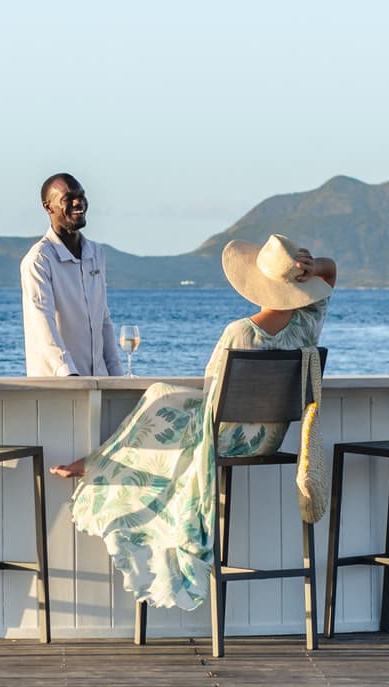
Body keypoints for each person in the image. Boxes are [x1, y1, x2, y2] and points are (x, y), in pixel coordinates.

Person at [50, 234, 337, 611]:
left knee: (160, 395)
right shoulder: (309, 323)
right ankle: (101, 460)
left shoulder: (240, 332)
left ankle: (102, 463)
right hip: (271, 440)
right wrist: (314, 269)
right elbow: (332, 273)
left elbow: (213, 397)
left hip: (225, 440)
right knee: (168, 398)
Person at [20, 173, 125, 376]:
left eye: (81, 195)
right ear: (48, 207)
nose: (78, 202)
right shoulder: (39, 260)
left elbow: (103, 320)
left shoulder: (96, 253)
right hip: (58, 385)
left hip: (99, 382)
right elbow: (42, 323)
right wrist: (68, 374)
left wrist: (117, 375)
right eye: (68, 198)